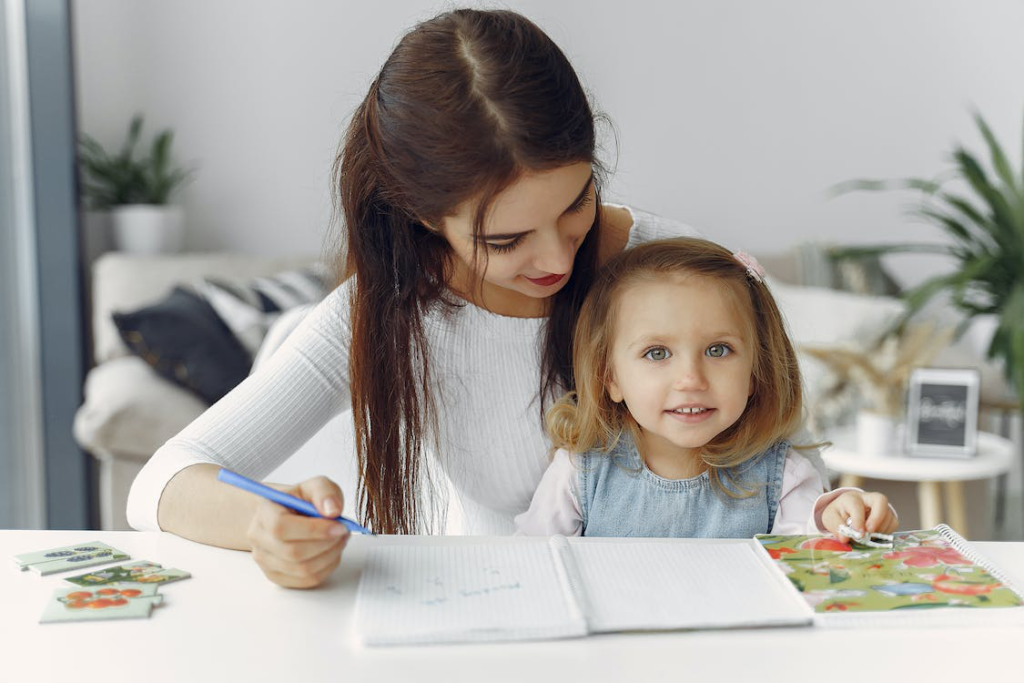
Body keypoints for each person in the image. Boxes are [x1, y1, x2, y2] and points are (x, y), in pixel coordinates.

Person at [126, 8, 709, 588]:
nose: (558, 259)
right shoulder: (387, 314)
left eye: (577, 204)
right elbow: (160, 483)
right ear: (422, 214)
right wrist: (266, 523)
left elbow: (786, 463)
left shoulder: (689, 271)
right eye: (505, 240)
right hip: (497, 608)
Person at [515, 238, 899, 539]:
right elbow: (532, 566)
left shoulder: (784, 477)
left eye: (718, 350)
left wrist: (846, 517)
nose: (691, 379)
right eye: (657, 352)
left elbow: (811, 558)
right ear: (609, 377)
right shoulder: (580, 471)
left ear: (755, 372)